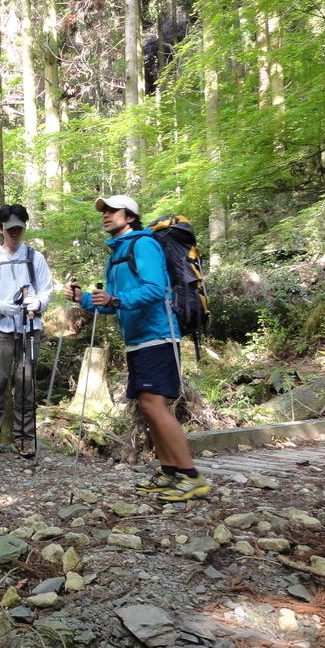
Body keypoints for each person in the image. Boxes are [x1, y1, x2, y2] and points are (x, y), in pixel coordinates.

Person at [63, 194, 209, 502]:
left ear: (129, 216)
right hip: (137, 340)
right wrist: (84, 299)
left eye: (113, 211)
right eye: (104, 211)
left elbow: (155, 290)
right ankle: (170, 474)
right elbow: (112, 303)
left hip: (158, 334)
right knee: (147, 406)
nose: (106, 215)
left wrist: (116, 300)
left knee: (156, 405)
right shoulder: (115, 256)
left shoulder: (143, 245)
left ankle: (191, 477)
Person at [0, 204, 53, 458]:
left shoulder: (34, 258)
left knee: (26, 383)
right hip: (0, 328)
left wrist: (37, 303)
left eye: (19, 228)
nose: (15, 233)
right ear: (0, 229)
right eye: (10, 229)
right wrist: (1, 307)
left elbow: (47, 290)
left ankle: (25, 438)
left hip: (30, 328)